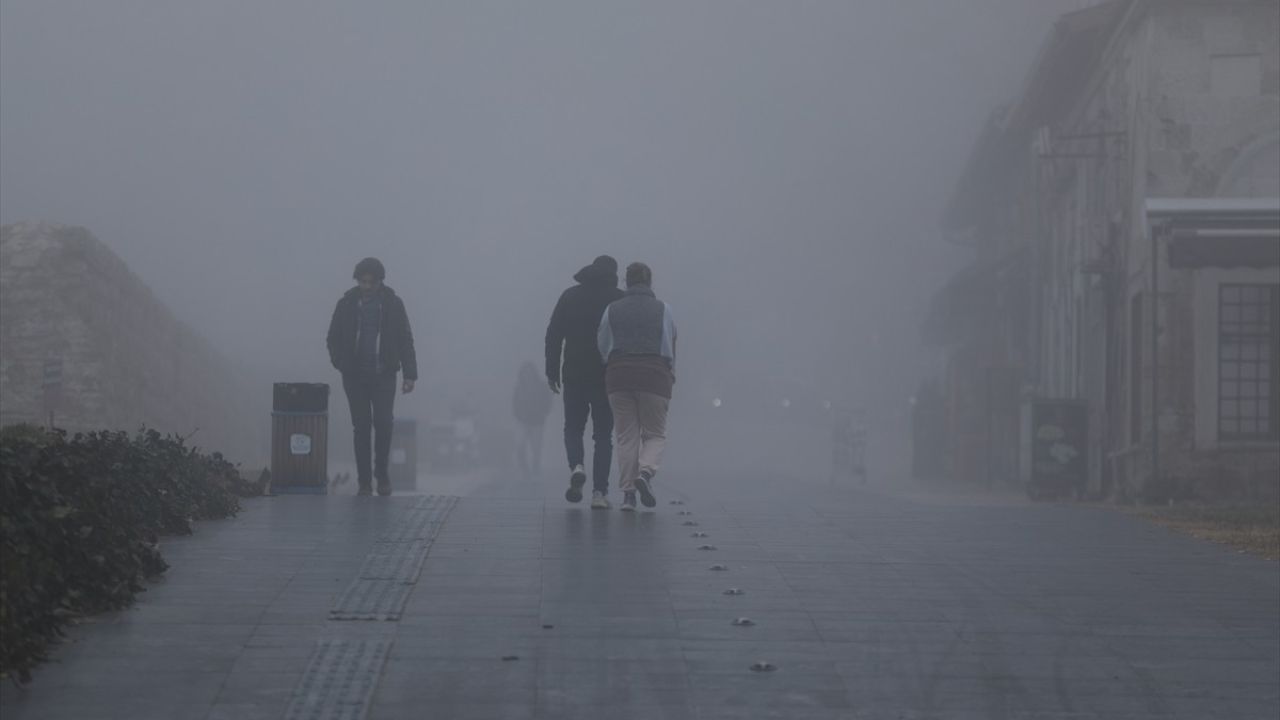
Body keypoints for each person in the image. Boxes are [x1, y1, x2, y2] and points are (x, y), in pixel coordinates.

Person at [326, 257, 417, 496]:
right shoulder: (346, 304)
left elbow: (405, 339)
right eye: (362, 282)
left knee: (384, 424)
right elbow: (332, 338)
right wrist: (340, 363)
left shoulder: (394, 305)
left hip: (384, 374)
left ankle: (382, 475)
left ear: (380, 283)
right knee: (361, 427)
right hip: (354, 377)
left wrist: (410, 375)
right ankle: (364, 481)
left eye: (371, 283)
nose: (366, 287)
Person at [545, 255, 624, 509]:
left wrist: (551, 371)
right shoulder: (618, 299)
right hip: (606, 375)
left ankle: (576, 465)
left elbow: (554, 334)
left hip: (574, 373)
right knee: (602, 435)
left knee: (573, 428)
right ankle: (599, 493)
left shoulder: (570, 296)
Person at [597, 262, 676, 511]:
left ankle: (628, 495)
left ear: (626, 282)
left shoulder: (613, 309)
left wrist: (613, 362)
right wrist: (669, 373)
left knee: (625, 437)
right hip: (654, 376)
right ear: (650, 282)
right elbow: (667, 346)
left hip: (619, 377)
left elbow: (603, 343)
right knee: (655, 433)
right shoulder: (663, 309)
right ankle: (646, 473)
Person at [512, 361, 552, 478]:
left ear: (534, 373)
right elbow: (514, 403)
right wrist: (518, 415)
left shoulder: (541, 386)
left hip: (537, 421)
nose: (527, 375)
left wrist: (543, 413)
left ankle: (535, 468)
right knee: (520, 445)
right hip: (522, 421)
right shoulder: (519, 387)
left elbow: (548, 401)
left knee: (536, 448)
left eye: (529, 372)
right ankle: (524, 468)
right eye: (525, 372)